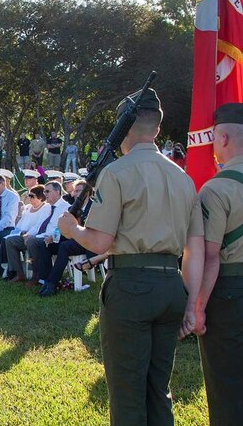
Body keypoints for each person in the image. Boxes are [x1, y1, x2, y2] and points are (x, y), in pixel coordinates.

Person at [58, 88, 203, 426]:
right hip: (171, 288)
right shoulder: (184, 178)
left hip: (131, 287)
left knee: (127, 393)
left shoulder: (117, 173)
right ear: (157, 128)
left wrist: (72, 230)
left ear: (125, 128)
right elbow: (193, 249)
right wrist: (191, 303)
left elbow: (100, 241)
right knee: (158, 390)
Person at [195, 103, 243, 423]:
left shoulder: (217, 188)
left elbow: (210, 257)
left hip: (229, 292)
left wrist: (196, 307)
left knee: (226, 383)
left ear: (222, 137)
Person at [38, 180, 96, 296]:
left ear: (88, 193)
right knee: (45, 244)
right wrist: (53, 237)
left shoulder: (94, 207)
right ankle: (46, 279)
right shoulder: (73, 208)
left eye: (79, 191)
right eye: (75, 191)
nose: (75, 194)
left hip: (89, 242)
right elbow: (64, 227)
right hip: (74, 239)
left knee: (65, 247)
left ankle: (52, 284)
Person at [23, 181, 70, 287]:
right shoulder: (47, 207)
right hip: (40, 235)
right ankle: (16, 272)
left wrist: (36, 237)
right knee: (18, 240)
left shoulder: (66, 207)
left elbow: (61, 229)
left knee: (33, 241)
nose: (45, 194)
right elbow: (38, 225)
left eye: (48, 191)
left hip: (53, 238)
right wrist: (29, 234)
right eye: (44, 191)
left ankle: (36, 275)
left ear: (57, 191)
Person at [2, 185, 47, 282]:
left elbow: (39, 226)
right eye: (29, 196)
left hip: (36, 236)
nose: (29, 198)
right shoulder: (27, 208)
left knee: (31, 242)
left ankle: (35, 274)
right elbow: (20, 224)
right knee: (10, 241)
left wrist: (28, 234)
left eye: (32, 196)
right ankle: (18, 273)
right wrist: (21, 232)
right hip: (23, 235)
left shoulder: (46, 208)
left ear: (41, 197)